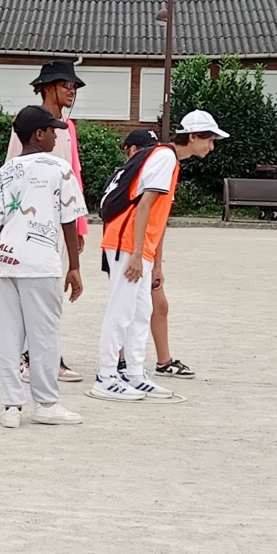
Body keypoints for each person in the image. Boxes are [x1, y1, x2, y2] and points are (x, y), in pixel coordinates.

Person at [92, 111, 228, 402]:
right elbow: (142, 207)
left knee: (140, 312)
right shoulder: (165, 158)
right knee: (122, 311)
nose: (211, 146)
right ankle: (106, 377)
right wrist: (138, 254)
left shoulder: (167, 159)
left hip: (138, 246)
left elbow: (157, 216)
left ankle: (134, 374)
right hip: (127, 243)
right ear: (191, 136)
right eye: (208, 139)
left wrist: (153, 260)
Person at [0, 106, 87, 429]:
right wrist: (74, 265)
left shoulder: (4, 172)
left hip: (8, 260)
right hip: (42, 264)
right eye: (53, 131)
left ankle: (11, 406)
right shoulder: (59, 168)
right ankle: (46, 403)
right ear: (38, 134)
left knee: (10, 334)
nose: (57, 137)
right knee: (44, 335)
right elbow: (69, 219)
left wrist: (16, 228)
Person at [7, 59, 87, 385]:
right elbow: (12, 173)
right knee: (33, 291)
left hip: (59, 223)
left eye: (74, 86)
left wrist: (78, 227)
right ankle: (28, 357)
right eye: (66, 84)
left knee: (53, 293)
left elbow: (74, 180)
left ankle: (49, 356)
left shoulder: (68, 130)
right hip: (31, 225)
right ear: (48, 87)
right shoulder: (28, 125)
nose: (71, 90)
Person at [114, 129, 196, 379]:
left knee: (157, 305)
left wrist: (157, 265)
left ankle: (163, 361)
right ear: (131, 150)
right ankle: (117, 362)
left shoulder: (163, 169)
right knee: (125, 308)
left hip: (147, 250)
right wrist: (136, 254)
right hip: (128, 248)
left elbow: (157, 224)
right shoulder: (132, 178)